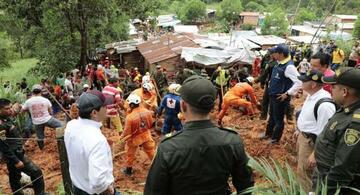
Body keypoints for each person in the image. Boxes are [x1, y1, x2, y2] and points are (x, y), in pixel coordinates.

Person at [144, 75, 254, 195]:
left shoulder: (167, 147)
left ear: (183, 105)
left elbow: (153, 191)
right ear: (212, 107)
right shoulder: (232, 140)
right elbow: (246, 186)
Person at [311, 67, 360, 194]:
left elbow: (343, 168)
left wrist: (324, 191)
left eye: (333, 87)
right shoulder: (345, 108)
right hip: (323, 175)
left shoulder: (355, 124)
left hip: (331, 184)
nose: (330, 90)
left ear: (344, 92)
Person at [64, 90, 117, 195]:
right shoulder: (97, 141)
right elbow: (98, 182)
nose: (107, 108)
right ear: (94, 113)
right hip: (94, 192)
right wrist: (109, 191)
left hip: (78, 187)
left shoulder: (71, 126)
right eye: (105, 107)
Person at [294, 70, 336, 189]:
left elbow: (326, 133)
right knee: (301, 171)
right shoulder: (311, 96)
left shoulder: (324, 105)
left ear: (313, 84)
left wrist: (315, 153)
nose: (301, 81)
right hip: (304, 137)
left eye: (304, 80)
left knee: (306, 176)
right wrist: (299, 129)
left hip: (311, 143)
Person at [0, 98, 47, 195]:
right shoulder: (1, 125)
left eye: (10, 107)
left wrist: (17, 107)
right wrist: (16, 161)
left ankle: (18, 193)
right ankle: (41, 193)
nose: (10, 110)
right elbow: (3, 147)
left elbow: (15, 111)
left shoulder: (6, 117)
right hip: (14, 155)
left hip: (17, 152)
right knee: (36, 172)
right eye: (7, 108)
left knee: (15, 176)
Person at [260, 44, 302, 144]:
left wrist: (288, 94)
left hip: (280, 97)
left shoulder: (289, 67)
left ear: (281, 54)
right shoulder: (279, 63)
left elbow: (299, 82)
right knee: (272, 116)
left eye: (274, 52)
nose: (272, 54)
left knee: (278, 119)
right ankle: (268, 134)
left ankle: (275, 139)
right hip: (273, 95)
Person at [120, 94, 156, 176]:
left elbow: (127, 132)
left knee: (130, 154)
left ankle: (128, 170)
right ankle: (157, 165)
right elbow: (150, 124)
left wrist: (122, 138)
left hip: (134, 139)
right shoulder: (147, 112)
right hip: (146, 135)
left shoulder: (130, 117)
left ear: (132, 104)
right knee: (151, 151)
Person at [21, 84, 63, 149]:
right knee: (60, 125)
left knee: (40, 137)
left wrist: (29, 110)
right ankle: (61, 142)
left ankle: (42, 149)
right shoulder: (45, 100)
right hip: (47, 119)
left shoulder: (28, 101)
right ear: (41, 91)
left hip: (37, 122)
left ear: (32, 92)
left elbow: (22, 111)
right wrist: (51, 116)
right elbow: (50, 111)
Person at [256, 47, 277, 120]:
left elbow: (265, 73)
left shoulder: (275, 63)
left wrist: (258, 81)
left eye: (271, 53)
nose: (270, 55)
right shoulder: (270, 61)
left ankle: (269, 117)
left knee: (271, 102)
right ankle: (264, 116)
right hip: (269, 84)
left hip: (274, 86)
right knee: (265, 100)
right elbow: (264, 71)